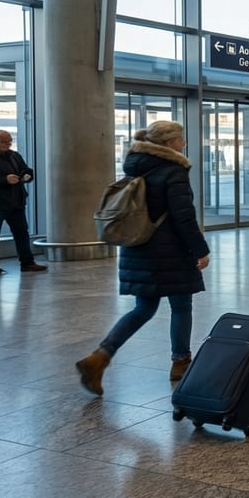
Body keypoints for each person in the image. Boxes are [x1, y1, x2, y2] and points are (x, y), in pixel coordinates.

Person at [75, 121, 210, 395]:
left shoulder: (135, 166)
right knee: (182, 305)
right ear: (169, 142)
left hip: (138, 247)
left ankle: (100, 356)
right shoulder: (173, 171)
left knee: (143, 308)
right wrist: (200, 250)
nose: (184, 143)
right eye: (180, 138)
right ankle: (180, 361)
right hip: (170, 250)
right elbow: (183, 216)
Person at [0, 130, 46, 273]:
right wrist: (5, 180)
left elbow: (27, 170)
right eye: (3, 141)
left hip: (16, 202)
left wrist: (26, 176)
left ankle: (27, 263)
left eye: (9, 141)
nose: (7, 144)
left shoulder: (14, 156)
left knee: (22, 233)